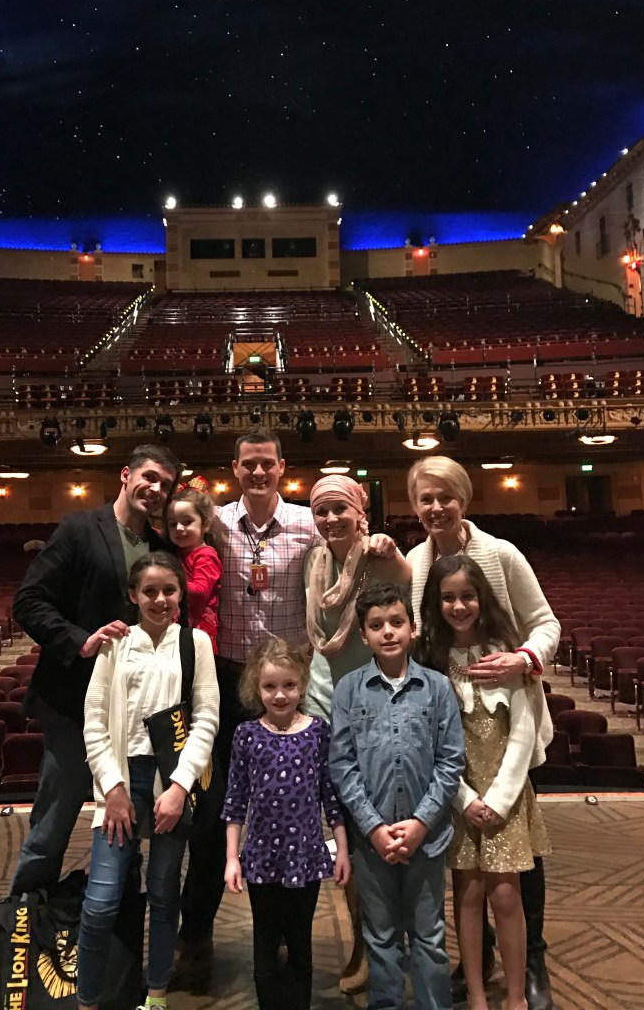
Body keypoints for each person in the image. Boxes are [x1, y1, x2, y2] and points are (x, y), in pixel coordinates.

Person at [405, 456, 560, 1010]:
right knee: (467, 873)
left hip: (508, 716)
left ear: (464, 500)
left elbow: (546, 624)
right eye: (425, 498)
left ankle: (533, 961)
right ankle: (480, 958)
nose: (436, 507)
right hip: (454, 734)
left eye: (445, 497)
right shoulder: (415, 563)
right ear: (415, 506)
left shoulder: (501, 554)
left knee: (521, 864)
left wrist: (523, 658)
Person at [173, 426, 320, 991]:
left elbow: (350, 555)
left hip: (288, 686)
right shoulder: (216, 523)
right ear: (235, 469)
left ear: (282, 466)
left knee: (291, 813)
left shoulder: (307, 523)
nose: (258, 472)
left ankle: (284, 935)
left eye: (267, 463)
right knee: (212, 821)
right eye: (248, 464)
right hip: (228, 682)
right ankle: (194, 939)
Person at [9, 443, 180, 897]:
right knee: (54, 823)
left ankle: (117, 924)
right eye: (148, 477)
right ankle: (23, 922)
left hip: (135, 711)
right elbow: (28, 601)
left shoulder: (160, 549)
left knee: (127, 826)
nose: (155, 488)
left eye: (165, 484)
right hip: (73, 702)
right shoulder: (79, 528)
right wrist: (79, 640)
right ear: (126, 475)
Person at [78, 552, 219, 1010]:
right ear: (133, 595)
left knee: (163, 894)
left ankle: (156, 995)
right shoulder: (115, 643)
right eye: (150, 591)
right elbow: (94, 721)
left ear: (181, 594)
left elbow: (206, 719)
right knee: (100, 902)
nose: (160, 600)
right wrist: (112, 789)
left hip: (170, 782)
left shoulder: (195, 643)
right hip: (121, 781)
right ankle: (87, 1000)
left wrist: (179, 787)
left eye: (169, 591)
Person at [329, 581, 465, 1010]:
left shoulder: (437, 688)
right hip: (372, 843)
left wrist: (421, 822)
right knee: (380, 936)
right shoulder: (348, 690)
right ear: (363, 634)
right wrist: (373, 828)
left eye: (396, 622)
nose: (388, 632)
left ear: (412, 628)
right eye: (376, 625)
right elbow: (342, 765)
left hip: (427, 839)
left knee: (429, 935)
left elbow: (450, 761)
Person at [303, 472, 411, 993]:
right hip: (326, 705)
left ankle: (396, 939)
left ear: (359, 510)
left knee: (385, 830)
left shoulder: (381, 556)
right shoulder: (314, 562)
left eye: (339, 509)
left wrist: (390, 549)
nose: (330, 519)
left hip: (378, 709)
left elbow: (407, 598)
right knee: (348, 831)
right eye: (321, 511)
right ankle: (366, 944)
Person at [222, 639, 350, 1010]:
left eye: (289, 685)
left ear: (303, 685)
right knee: (264, 943)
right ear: (256, 688)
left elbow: (330, 796)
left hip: (305, 858)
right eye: (270, 686)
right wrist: (232, 858)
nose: (280, 695)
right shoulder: (247, 735)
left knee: (299, 943)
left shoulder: (317, 732)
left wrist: (342, 849)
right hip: (261, 858)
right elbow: (235, 801)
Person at [166, 484, 223, 652]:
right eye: (172, 524)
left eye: (187, 522)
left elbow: (200, 591)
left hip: (198, 630)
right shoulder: (177, 552)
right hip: (179, 625)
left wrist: (168, 583)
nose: (179, 528)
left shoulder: (206, 555)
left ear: (205, 524)